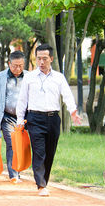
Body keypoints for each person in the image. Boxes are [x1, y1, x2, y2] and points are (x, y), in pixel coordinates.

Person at [16, 44, 81, 197]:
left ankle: (44, 181)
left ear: (51, 59)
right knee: (39, 151)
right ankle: (40, 184)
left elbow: (67, 95)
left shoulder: (58, 77)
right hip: (34, 118)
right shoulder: (29, 77)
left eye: (45, 58)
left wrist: (73, 111)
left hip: (53, 119)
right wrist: (20, 119)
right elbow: (22, 99)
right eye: (38, 59)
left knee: (50, 152)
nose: (41, 62)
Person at [0, 51, 26, 184]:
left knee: (22, 145)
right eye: (15, 65)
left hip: (24, 117)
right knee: (12, 144)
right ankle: (14, 174)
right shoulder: (0, 77)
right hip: (7, 117)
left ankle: (19, 170)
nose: (18, 69)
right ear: (9, 64)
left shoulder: (28, 76)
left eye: (21, 65)